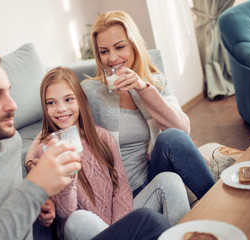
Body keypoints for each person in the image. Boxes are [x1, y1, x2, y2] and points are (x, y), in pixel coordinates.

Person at [0, 48, 169, 240]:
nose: (12, 105)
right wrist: (34, 190)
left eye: (9, 93)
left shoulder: (10, 143)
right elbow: (28, 198)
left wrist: (41, 207)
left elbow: (22, 206)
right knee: (149, 223)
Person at [26, 67, 186, 239]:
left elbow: (121, 187)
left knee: (169, 180)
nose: (61, 109)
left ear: (80, 100)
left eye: (68, 99)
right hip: (88, 231)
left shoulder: (101, 136)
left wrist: (120, 228)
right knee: (77, 220)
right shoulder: (46, 153)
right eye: (51, 103)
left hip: (120, 222)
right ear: (45, 107)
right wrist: (69, 175)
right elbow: (66, 214)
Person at [82, 10, 215, 203]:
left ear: (134, 45)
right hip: (123, 195)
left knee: (172, 137)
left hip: (156, 176)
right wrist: (30, 160)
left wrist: (143, 88)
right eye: (104, 51)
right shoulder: (90, 91)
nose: (112, 58)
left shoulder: (155, 83)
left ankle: (216, 202)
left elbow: (182, 130)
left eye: (120, 47)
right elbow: (55, 129)